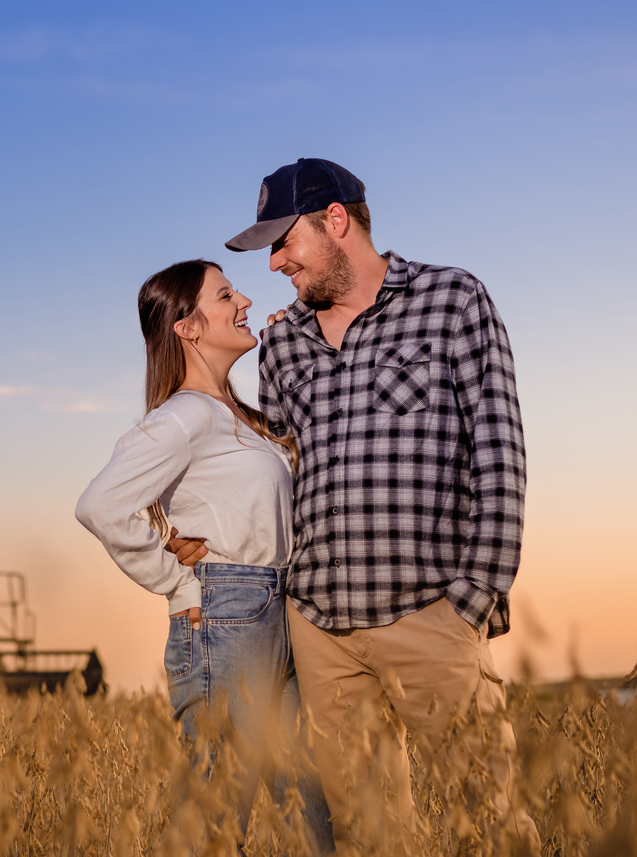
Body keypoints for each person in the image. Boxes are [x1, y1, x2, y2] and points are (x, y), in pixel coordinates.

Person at [171, 157, 536, 848]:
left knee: (488, 819)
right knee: (367, 835)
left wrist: (473, 597)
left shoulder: (452, 300)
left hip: (431, 615)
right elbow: (276, 470)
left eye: (285, 241)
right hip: (321, 633)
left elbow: (500, 455)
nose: (275, 262)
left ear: (336, 221)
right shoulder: (282, 344)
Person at [76, 259, 334, 852]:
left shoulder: (236, 416)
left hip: (278, 607)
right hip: (228, 612)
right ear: (188, 328)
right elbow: (100, 505)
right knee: (221, 808)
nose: (243, 299)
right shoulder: (184, 415)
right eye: (225, 295)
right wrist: (178, 583)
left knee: (309, 809)